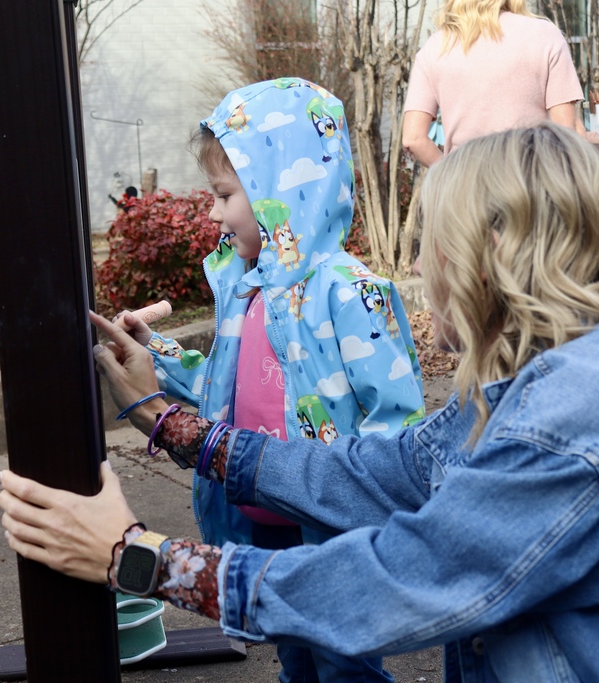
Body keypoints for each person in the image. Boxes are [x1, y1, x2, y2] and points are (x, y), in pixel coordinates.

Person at [0, 125, 599, 682]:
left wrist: (133, 555)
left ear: (493, 253)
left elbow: (405, 577)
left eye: (432, 237)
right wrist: (175, 423)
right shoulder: (540, 380)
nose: (422, 264)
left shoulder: (586, 406)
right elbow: (383, 472)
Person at [111, 77, 426, 683]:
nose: (213, 212)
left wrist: (382, 524)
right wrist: (155, 351)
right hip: (261, 517)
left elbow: (397, 420)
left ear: (281, 189)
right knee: (292, 653)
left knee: (345, 663)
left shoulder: (351, 293)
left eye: (224, 194)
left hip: (335, 528)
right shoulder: (245, 287)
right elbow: (219, 386)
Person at [401, 0, 584, 167]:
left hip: (464, 190)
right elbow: (568, 129)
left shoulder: (435, 48)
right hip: (530, 183)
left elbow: (413, 138)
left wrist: (452, 175)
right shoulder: (544, 35)